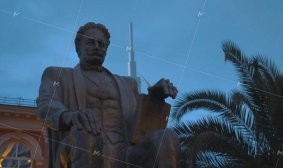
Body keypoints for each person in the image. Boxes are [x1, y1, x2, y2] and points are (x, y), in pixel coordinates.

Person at [36, 22, 181, 168]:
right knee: (86, 132)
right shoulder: (58, 75)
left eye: (102, 44)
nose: (97, 47)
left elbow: (141, 129)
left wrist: (155, 98)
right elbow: (46, 106)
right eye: (90, 42)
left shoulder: (128, 85)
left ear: (106, 49)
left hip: (124, 153)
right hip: (80, 145)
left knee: (167, 137)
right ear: (78, 46)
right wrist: (71, 117)